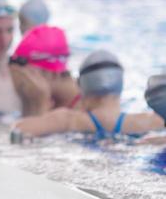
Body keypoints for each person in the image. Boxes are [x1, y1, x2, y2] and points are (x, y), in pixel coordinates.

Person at [11, 50, 165, 140]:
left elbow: (18, 131)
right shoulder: (151, 122)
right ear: (121, 84)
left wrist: (41, 103)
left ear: (81, 86)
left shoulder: (69, 120)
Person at [8, 24, 80, 115]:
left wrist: (38, 106)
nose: (19, 80)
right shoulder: (59, 105)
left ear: (53, 73)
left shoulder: (85, 112)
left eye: (26, 74)